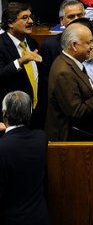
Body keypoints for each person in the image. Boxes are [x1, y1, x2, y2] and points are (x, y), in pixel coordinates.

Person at [45, 20, 93, 141]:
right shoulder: (64, 72)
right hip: (68, 141)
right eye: (88, 43)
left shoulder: (72, 62)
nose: (92, 46)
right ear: (73, 45)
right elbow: (77, 112)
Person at [0, 91, 49, 225]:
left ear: (4, 115)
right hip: (40, 218)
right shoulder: (41, 138)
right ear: (30, 114)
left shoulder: (2, 147)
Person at [39, 0, 93, 81]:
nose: (77, 20)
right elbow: (47, 82)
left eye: (80, 15)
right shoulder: (50, 46)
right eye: (71, 17)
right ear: (62, 20)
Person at [0, 2, 45, 129]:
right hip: (10, 117)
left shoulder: (32, 43)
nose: (31, 21)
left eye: (31, 17)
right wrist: (20, 61)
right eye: (25, 18)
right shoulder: (1, 45)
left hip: (35, 114)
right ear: (10, 23)